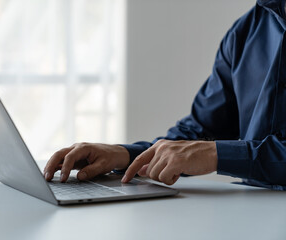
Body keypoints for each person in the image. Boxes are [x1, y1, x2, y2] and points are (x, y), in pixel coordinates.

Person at [44, 0, 286, 190]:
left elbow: (206, 151)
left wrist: (216, 154)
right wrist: (126, 155)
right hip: (253, 215)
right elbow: (201, 132)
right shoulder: (246, 31)